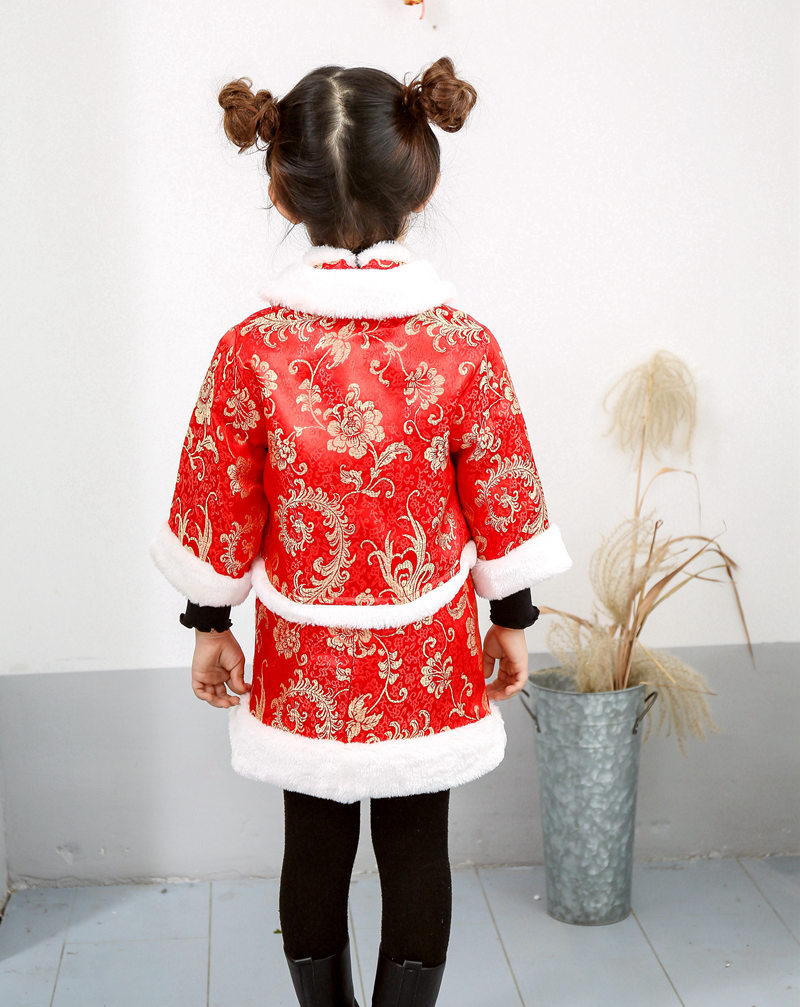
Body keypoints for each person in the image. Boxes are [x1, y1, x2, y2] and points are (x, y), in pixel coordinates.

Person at [150, 56, 572, 1007]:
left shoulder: (252, 349)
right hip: (426, 644)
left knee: (314, 839)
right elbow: (500, 490)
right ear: (422, 184)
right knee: (419, 843)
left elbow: (219, 498)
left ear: (279, 190)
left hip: (306, 651)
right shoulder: (463, 345)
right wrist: (511, 616)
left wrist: (209, 624)